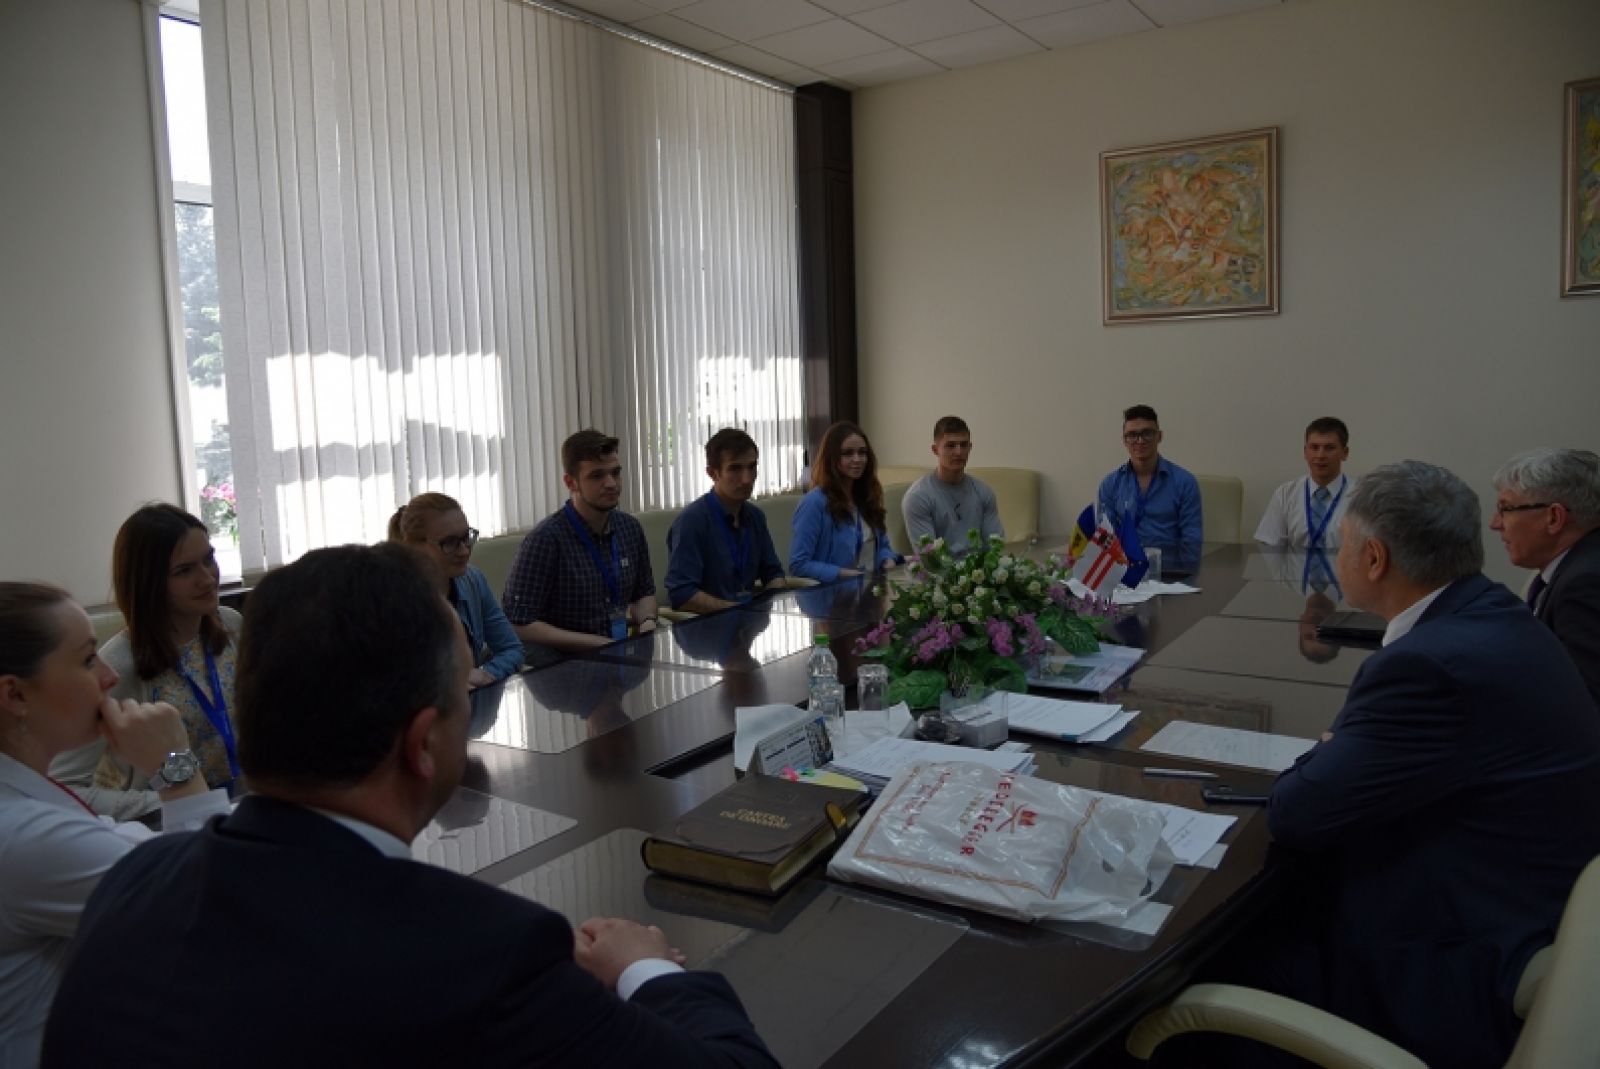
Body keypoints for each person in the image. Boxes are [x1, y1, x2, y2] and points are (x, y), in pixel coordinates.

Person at [42, 544, 777, 1067]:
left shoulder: (131, 885)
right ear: (424, 742)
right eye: (462, 695)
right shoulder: (487, 954)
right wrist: (646, 971)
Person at [1263, 461, 1600, 1068]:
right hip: (1522, 904)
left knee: (1221, 956)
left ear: (1374, 559)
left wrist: (1329, 748)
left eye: (1344, 545)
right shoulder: (1493, 610)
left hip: (1455, 962)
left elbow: (1296, 812)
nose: (1339, 557)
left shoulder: (1427, 667)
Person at [1, 582, 228, 1069]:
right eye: (88, 660)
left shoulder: (24, 797)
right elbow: (212, 901)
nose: (109, 677)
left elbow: (133, 851)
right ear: (15, 694)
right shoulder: (22, 834)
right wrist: (173, 763)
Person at [51, 504, 242, 816]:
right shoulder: (116, 666)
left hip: (238, 812)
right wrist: (171, 799)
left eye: (208, 559)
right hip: (169, 826)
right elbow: (65, 787)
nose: (207, 579)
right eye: (184, 571)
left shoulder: (232, 625)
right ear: (149, 583)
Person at [502, 429, 659, 651]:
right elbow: (518, 624)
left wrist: (647, 621)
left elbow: (643, 594)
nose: (611, 483)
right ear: (571, 482)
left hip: (618, 653)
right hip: (565, 660)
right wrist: (596, 644)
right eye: (597, 476)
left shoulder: (630, 528)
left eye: (615, 473)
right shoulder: (546, 540)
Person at [1491, 448, 1600, 709]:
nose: (1495, 523)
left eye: (1505, 509)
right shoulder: (1574, 567)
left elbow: (1587, 703)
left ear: (1554, 517)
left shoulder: (1583, 584)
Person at [389, 492, 522, 688]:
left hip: (469, 701)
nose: (464, 551)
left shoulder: (473, 580)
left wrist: (485, 674)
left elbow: (512, 649)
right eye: (449, 543)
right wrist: (452, 683)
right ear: (412, 547)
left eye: (466, 537)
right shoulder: (391, 601)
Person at [664, 428, 786, 613]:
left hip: (751, 623)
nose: (747, 479)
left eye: (752, 467)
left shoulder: (755, 517)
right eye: (735, 469)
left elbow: (773, 574)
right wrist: (735, 611)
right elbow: (682, 594)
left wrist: (776, 603)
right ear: (713, 473)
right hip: (709, 625)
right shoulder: (691, 521)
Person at [790, 421, 900, 581]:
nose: (857, 459)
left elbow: (883, 547)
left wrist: (887, 559)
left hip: (871, 588)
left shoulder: (868, 496)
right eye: (848, 453)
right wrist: (843, 573)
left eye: (862, 452)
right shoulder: (814, 503)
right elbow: (799, 564)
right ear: (832, 458)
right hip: (832, 591)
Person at [1097, 404, 1201, 559]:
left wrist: (1182, 573)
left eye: (1147, 433)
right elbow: (1105, 537)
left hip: (1169, 570)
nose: (1140, 440)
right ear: (1124, 440)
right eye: (1132, 435)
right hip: (1125, 568)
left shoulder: (1185, 483)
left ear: (1159, 436)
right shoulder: (1110, 485)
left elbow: (1192, 542)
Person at [901, 415, 1004, 551]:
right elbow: (929, 557)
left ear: (970, 447)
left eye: (963, 445)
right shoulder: (918, 497)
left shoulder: (984, 492)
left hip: (979, 564)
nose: (958, 452)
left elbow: (995, 547)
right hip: (940, 565)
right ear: (935, 450)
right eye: (950, 446)